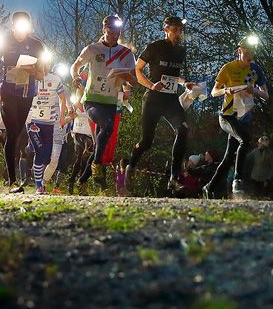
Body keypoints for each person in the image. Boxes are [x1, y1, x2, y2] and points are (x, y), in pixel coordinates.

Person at [127, 15, 196, 195]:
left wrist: (184, 83)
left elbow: (174, 76)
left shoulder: (181, 51)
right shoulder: (154, 47)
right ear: (166, 30)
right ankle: (130, 166)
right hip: (153, 99)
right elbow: (137, 69)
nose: (178, 34)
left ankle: (173, 178)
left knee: (183, 129)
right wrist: (151, 85)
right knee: (147, 141)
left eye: (180, 30)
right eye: (174, 30)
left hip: (171, 100)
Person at [71, 15, 138, 188]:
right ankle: (97, 166)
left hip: (110, 101)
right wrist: (76, 76)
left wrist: (126, 78)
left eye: (117, 32)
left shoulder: (126, 53)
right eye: (110, 31)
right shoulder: (92, 49)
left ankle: (83, 180)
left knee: (100, 144)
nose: (113, 35)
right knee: (107, 127)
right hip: (92, 100)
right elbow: (75, 65)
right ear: (104, 30)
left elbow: (134, 81)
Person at [204, 35, 270, 199]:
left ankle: (209, 187)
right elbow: (213, 92)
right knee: (246, 141)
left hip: (243, 117)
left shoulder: (256, 69)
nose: (250, 54)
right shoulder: (228, 68)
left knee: (227, 159)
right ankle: (238, 179)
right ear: (239, 51)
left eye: (253, 50)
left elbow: (266, 95)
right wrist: (225, 91)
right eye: (247, 50)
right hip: (227, 117)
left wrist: (253, 91)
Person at [0, 11, 48, 189]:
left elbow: (42, 74)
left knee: (16, 135)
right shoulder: (5, 42)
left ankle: (11, 174)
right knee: (13, 132)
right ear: (13, 26)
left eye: (26, 26)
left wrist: (33, 72)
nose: (22, 31)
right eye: (19, 26)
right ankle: (13, 180)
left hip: (27, 94)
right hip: (7, 93)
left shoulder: (36, 45)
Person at [25, 72, 71, 194]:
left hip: (51, 126)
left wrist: (64, 118)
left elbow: (69, 107)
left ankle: (40, 179)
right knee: (39, 153)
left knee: (48, 157)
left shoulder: (58, 84)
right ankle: (39, 185)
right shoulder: (30, 78)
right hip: (33, 121)